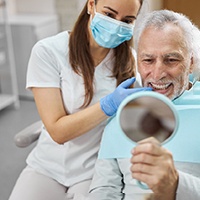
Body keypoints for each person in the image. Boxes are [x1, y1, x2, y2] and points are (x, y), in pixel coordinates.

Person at [9, 0, 152, 200]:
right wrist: (108, 104)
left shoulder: (130, 61)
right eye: (109, 15)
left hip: (94, 170)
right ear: (91, 5)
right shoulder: (49, 51)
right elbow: (58, 132)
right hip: (47, 167)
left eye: (127, 20)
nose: (117, 25)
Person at [88, 10, 200, 200]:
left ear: (191, 62)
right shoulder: (122, 113)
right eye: (148, 60)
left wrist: (176, 185)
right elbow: (104, 188)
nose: (157, 74)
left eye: (171, 60)